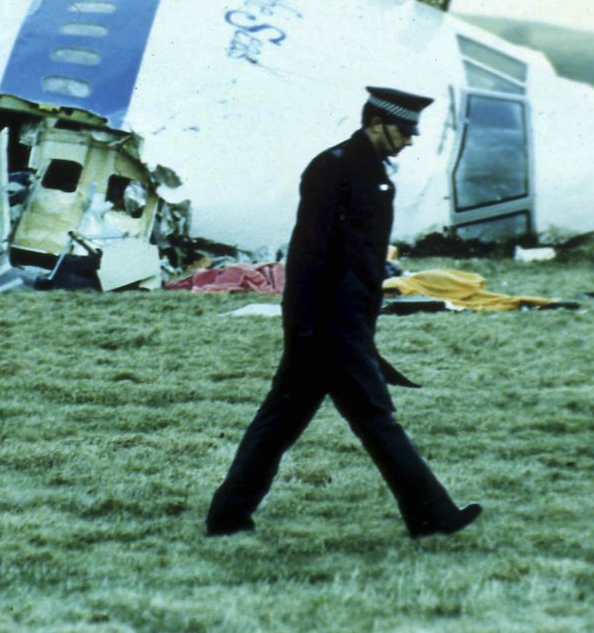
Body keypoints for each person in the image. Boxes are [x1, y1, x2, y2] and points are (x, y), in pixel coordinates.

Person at [205, 86, 482, 539]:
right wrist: (312, 326)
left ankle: (228, 516)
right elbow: (310, 253)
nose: (410, 140)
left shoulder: (368, 171)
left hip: (338, 321)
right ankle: (432, 515)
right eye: (405, 129)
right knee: (374, 416)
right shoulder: (333, 169)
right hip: (329, 323)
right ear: (377, 124)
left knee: (280, 422)